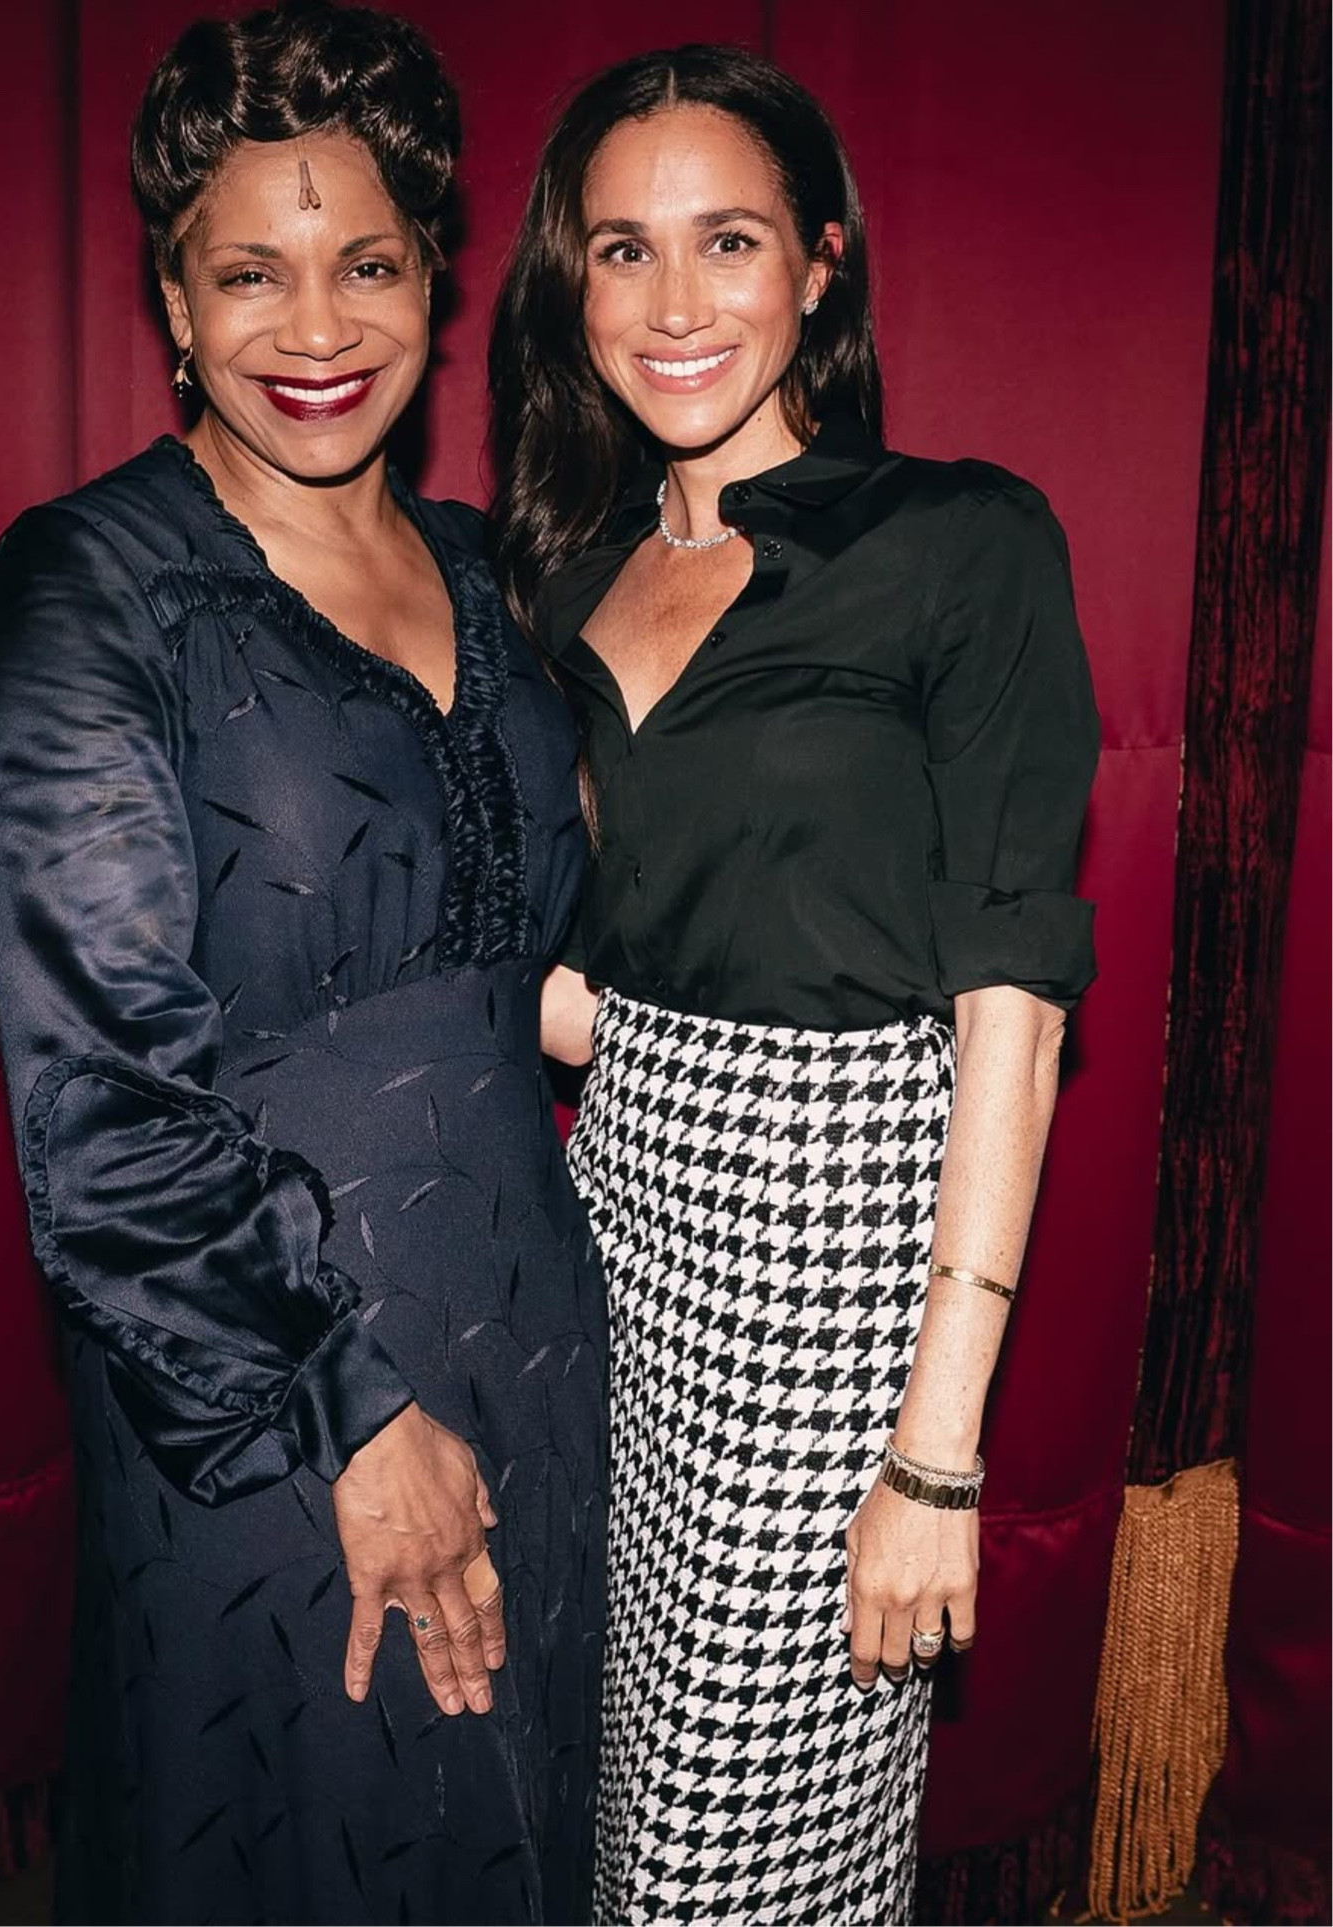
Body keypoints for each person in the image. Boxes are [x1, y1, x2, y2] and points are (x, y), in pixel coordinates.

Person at [0, 6, 605, 1921]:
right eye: (250, 272)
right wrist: (352, 1415)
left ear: (434, 286)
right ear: (173, 297)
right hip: (265, 1401)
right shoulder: (89, 589)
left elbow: (568, 962)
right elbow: (97, 1107)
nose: (315, 328)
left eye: (366, 266)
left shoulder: (498, 573)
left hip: (541, 1350)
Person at [490, 44, 1099, 1926]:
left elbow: (1013, 1002)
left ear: (822, 264)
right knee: (605, 1792)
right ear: (572, 287)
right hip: (613, 1223)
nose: (675, 301)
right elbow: (608, 962)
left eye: (730, 240)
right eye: (622, 249)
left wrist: (937, 1455)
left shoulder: (957, 542)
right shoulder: (568, 584)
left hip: (836, 1259)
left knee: (730, 1851)